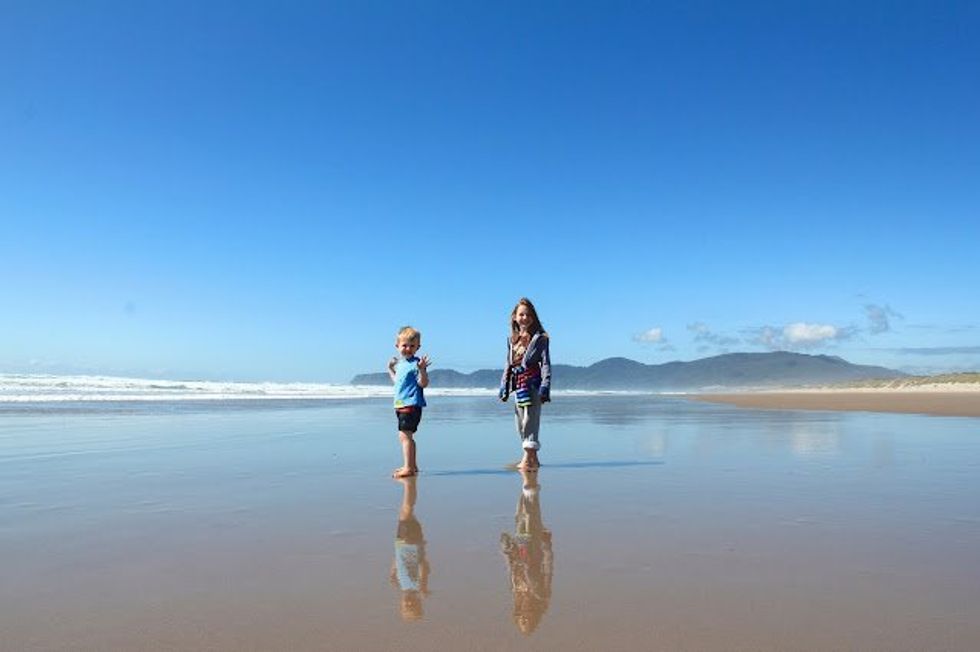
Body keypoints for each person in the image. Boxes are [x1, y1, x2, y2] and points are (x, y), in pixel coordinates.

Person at [499, 298, 551, 470]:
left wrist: (545, 386)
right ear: (514, 317)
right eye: (521, 314)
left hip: (534, 384)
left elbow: (545, 364)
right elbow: (508, 364)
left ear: (533, 317)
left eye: (528, 314)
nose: (525, 317)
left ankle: (526, 459)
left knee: (530, 420)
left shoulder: (540, 339)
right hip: (518, 386)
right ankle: (533, 459)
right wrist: (504, 387)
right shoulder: (512, 340)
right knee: (520, 422)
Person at [500, 468, 553, 635]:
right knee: (531, 516)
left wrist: (506, 552)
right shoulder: (541, 595)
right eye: (526, 618)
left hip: (520, 549)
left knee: (521, 517)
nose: (524, 614)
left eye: (521, 617)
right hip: (534, 549)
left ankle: (526, 483)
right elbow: (548, 570)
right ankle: (529, 481)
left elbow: (511, 572)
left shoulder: (517, 594)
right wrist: (547, 548)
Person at [388, 326, 430, 478]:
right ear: (397, 346)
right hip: (400, 404)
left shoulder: (416, 364)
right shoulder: (401, 364)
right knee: (406, 436)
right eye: (405, 345)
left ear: (418, 347)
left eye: (412, 346)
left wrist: (423, 370)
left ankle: (408, 468)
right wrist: (390, 369)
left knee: (405, 436)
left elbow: (423, 384)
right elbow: (397, 382)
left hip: (411, 405)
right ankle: (412, 465)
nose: (408, 348)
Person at [389, 476, 430, 621]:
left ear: (400, 604)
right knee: (407, 511)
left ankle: (409, 485)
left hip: (401, 543)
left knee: (405, 512)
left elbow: (398, 563)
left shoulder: (401, 585)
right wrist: (424, 585)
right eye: (412, 605)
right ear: (418, 602)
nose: (408, 602)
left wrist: (393, 570)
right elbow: (424, 565)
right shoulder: (417, 586)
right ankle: (408, 484)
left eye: (406, 605)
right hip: (411, 543)